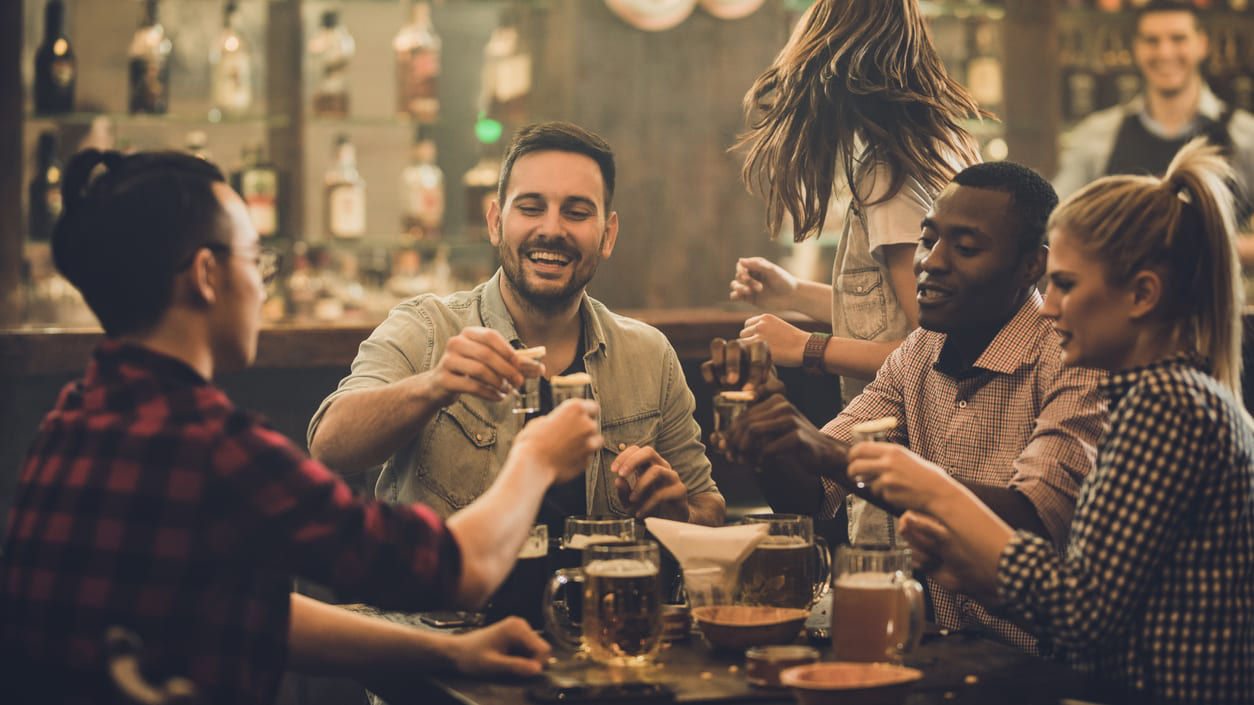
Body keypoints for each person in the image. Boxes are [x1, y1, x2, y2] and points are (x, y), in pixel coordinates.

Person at [0, 150, 603, 705]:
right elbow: (457, 572)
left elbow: (254, 615)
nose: (262, 286)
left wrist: (449, 650)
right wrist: (538, 457)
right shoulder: (215, 448)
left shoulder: (72, 421)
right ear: (208, 275)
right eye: (253, 258)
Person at [855, 140, 1254, 703]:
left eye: (1066, 284)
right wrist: (969, 565)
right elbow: (1093, 603)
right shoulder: (1169, 396)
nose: (1050, 305)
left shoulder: (1167, 406)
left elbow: (1081, 617)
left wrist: (938, 494)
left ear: (1142, 295)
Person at [712, 161, 1108, 653]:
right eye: (928, 240)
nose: (931, 262)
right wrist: (768, 422)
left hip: (1045, 670)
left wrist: (828, 453)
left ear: (1032, 265)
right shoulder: (921, 350)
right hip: (942, 654)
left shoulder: (1073, 357)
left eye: (964, 248)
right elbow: (810, 496)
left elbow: (1032, 521)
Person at [308, 122, 725, 530]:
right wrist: (435, 386)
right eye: (530, 208)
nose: (551, 229)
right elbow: (328, 445)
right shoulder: (428, 328)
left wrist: (681, 515)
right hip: (443, 601)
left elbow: (707, 504)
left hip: (601, 599)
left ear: (608, 235)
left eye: (577, 213)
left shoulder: (650, 356)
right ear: (495, 222)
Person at [730, 0, 982, 408]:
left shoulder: (888, 176)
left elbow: (935, 349)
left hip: (903, 434)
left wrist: (806, 347)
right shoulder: (945, 144)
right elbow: (895, 315)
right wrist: (793, 293)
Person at [1054, 1, 1254, 213]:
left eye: (1178, 39)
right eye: (1152, 41)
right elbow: (1056, 218)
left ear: (1202, 45)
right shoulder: (1098, 135)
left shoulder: (1245, 136)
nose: (1165, 52)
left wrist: (1232, 244)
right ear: (1137, 48)